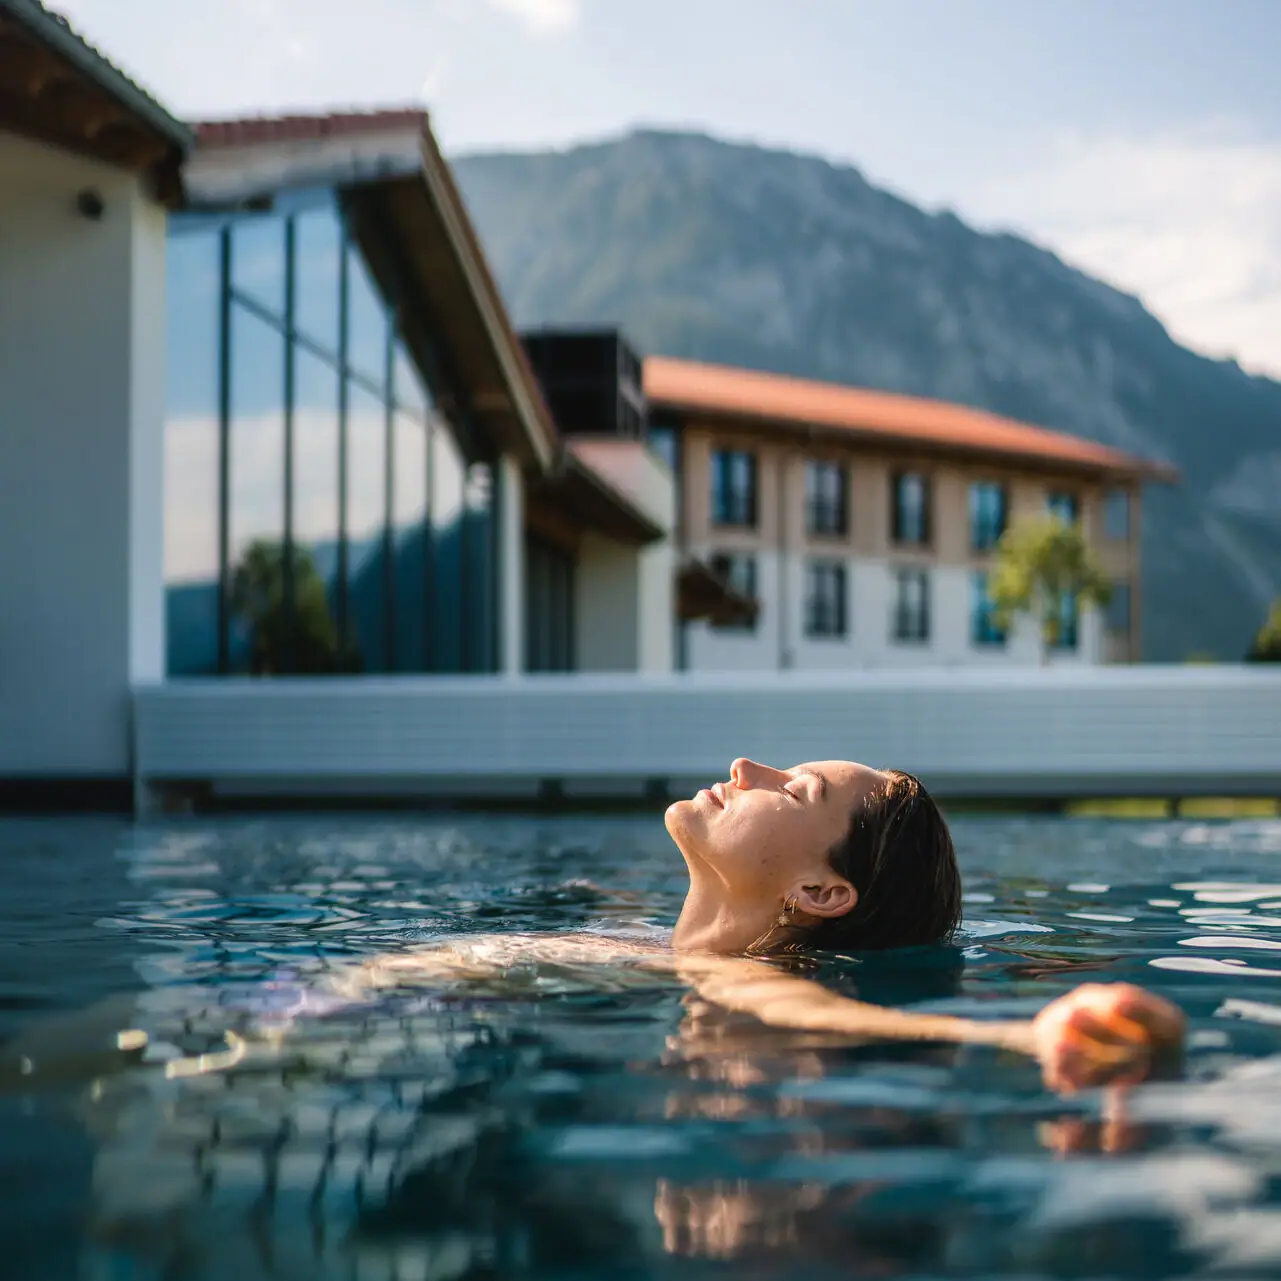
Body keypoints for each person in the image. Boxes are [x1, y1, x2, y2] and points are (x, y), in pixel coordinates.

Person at [342, 757, 1186, 1094]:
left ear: (821, 892)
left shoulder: (736, 974)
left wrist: (1023, 1038)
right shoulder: (639, 949)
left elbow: (819, 1015)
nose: (749, 767)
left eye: (797, 789)